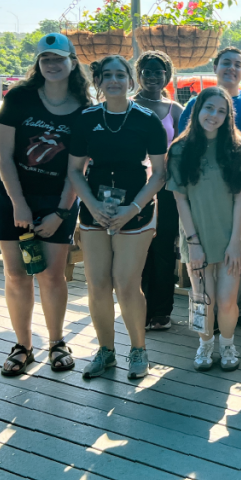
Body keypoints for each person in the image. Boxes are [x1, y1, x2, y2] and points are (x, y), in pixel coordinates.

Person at [0, 33, 89, 377]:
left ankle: (57, 343)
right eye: (46, 59)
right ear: (39, 63)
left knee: (51, 274)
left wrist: (61, 212)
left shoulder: (83, 107)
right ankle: (23, 346)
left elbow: (78, 167)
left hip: (57, 198)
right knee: (16, 274)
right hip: (12, 194)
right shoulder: (19, 97)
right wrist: (18, 203)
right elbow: (2, 154)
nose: (52, 65)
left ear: (72, 62)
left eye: (59, 59)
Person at [68, 55, 168, 380]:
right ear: (99, 82)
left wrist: (133, 209)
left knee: (126, 285)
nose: (114, 80)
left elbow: (160, 175)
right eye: (107, 75)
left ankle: (138, 349)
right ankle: (105, 351)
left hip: (136, 210)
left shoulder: (146, 119)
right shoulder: (86, 119)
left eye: (120, 75)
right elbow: (75, 170)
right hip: (95, 210)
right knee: (97, 285)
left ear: (130, 80)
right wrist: (93, 205)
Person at [179, 47, 241, 334]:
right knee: (205, 278)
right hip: (203, 193)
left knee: (239, 256)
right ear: (215, 67)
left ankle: (239, 312)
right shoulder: (196, 103)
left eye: (237, 64)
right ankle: (210, 324)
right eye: (225, 63)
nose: (231, 68)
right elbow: (184, 142)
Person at [169, 87, 241, 372]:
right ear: (197, 110)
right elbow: (180, 197)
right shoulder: (180, 149)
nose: (213, 116)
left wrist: (234, 242)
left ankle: (227, 344)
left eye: (221, 111)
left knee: (228, 300)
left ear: (228, 116)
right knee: (203, 298)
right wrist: (193, 242)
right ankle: (205, 344)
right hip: (196, 236)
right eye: (209, 108)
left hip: (230, 236)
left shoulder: (237, 148)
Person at [135, 50, 184, 332]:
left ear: (167, 75)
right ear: (138, 75)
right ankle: (139, 306)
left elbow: (180, 150)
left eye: (159, 71)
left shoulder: (174, 110)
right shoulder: (128, 106)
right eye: (148, 71)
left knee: (165, 247)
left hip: (165, 188)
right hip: (135, 187)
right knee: (138, 248)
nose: (153, 76)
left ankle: (161, 310)